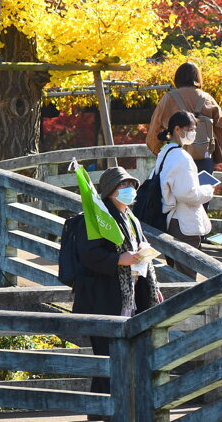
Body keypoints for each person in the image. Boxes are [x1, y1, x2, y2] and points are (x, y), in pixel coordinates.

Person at [73, 166, 161, 416]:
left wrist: (154, 286)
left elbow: (140, 253)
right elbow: (88, 255)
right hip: (105, 297)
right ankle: (105, 411)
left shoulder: (130, 217)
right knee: (107, 357)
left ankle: (106, 411)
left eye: (131, 186)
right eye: (124, 186)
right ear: (111, 191)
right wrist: (117, 260)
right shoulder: (97, 217)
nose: (130, 191)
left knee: (122, 357)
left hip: (131, 295)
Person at [156, 110, 217, 279]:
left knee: (175, 270)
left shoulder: (165, 152)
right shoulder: (181, 156)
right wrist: (208, 189)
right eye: (191, 129)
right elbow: (188, 194)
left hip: (171, 218)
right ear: (178, 129)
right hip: (184, 222)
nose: (194, 133)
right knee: (186, 274)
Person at [146, 61, 222, 173]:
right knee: (204, 190)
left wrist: (160, 152)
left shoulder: (168, 99)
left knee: (176, 189)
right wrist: (217, 158)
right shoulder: (208, 99)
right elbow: (220, 131)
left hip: (175, 158)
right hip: (204, 160)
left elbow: (154, 131)